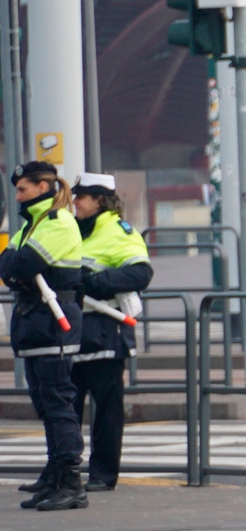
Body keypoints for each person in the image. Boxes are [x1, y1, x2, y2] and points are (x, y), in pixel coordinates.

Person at [2, 162, 86, 511]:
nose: (18, 195)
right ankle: (54, 476)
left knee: (57, 403)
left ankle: (71, 482)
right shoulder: (31, 224)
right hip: (35, 320)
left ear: (42, 187)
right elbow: (7, 266)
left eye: (23, 189)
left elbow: (18, 267)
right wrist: (14, 268)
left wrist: (15, 268)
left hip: (53, 321)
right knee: (45, 403)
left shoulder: (57, 222)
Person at [69, 173, 153, 492]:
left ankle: (103, 475)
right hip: (71, 333)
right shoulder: (72, 229)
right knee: (67, 407)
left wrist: (94, 284)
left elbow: (140, 272)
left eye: (83, 196)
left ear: (100, 201)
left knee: (106, 410)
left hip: (104, 332)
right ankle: (64, 472)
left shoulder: (119, 231)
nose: (76, 201)